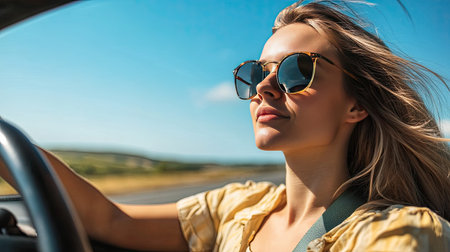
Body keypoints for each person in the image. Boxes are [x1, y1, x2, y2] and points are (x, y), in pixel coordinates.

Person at [1, 1, 449, 251]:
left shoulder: (396, 234)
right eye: (256, 73)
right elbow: (108, 219)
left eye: (296, 71)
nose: (265, 88)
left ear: (357, 105)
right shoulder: (237, 207)